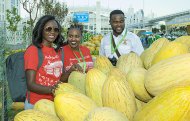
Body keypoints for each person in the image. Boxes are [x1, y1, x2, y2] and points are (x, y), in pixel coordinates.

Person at [24, 15, 81, 109]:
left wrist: (70, 70)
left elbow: (58, 79)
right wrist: (52, 89)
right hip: (36, 104)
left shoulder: (57, 51)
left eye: (56, 30)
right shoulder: (33, 50)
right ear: (41, 30)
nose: (52, 32)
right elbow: (30, 84)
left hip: (54, 103)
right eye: (48, 29)